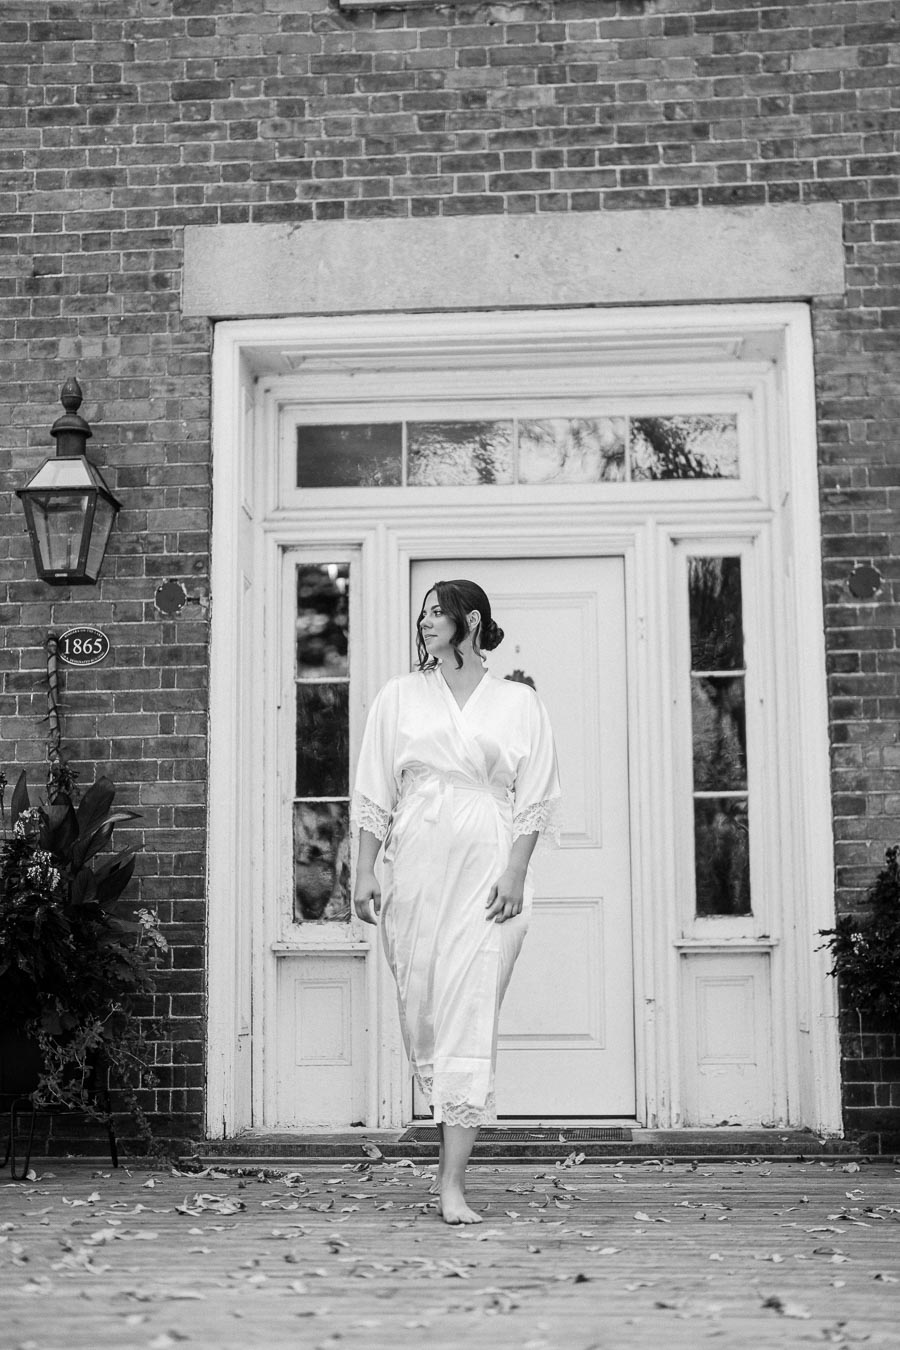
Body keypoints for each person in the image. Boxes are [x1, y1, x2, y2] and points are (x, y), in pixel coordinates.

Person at [351, 579, 561, 1225]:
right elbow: (373, 789)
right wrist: (363, 871)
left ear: (469, 620)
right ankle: (447, 1158)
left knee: (469, 1013)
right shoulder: (398, 697)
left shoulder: (518, 703)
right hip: (415, 864)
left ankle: (452, 1184)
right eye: (421, 615)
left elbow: (537, 794)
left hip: (489, 870)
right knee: (424, 1013)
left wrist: (516, 873)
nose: (425, 623)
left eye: (435, 613)